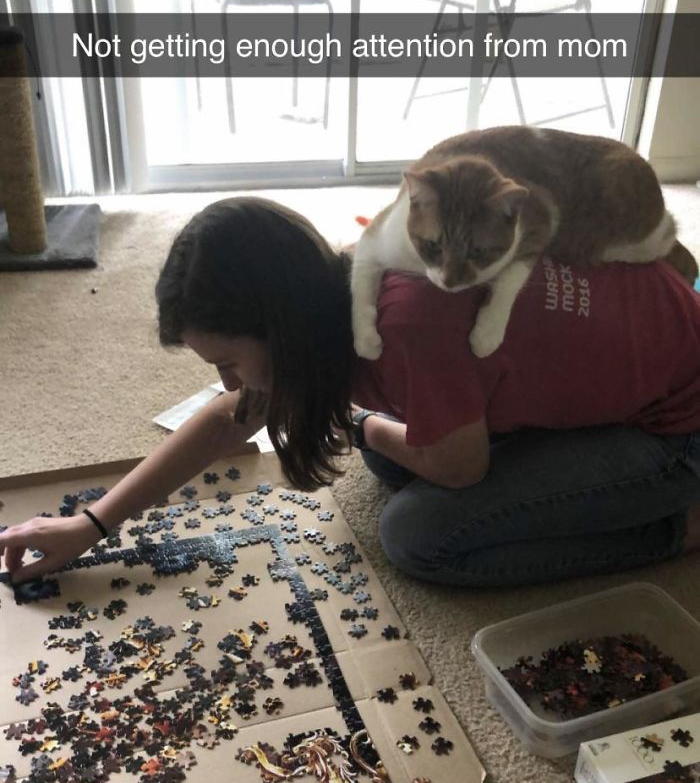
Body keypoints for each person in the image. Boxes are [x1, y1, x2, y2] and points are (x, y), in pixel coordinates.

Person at [1, 196, 699, 589]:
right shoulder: (335, 287)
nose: (228, 383)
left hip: (676, 430)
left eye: (230, 361)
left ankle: (675, 525)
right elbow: (230, 419)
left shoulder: (410, 323)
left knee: (419, 536)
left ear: (278, 327)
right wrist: (93, 524)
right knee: (394, 463)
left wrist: (362, 422)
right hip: (623, 359)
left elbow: (461, 468)